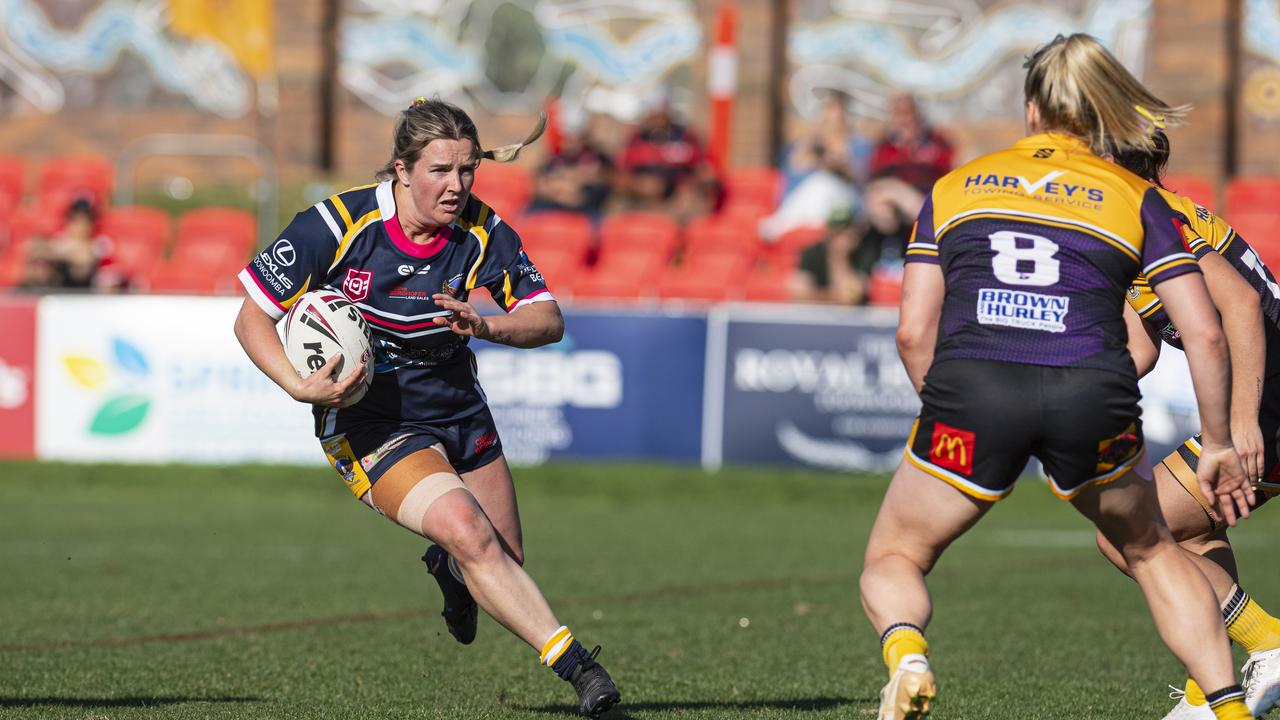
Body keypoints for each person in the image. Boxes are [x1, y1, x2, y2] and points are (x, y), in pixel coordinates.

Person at [860, 34, 1254, 720]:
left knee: (896, 553)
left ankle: (908, 658)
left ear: (1032, 107)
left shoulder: (954, 187)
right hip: (1090, 388)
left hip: (975, 388)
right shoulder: (1137, 196)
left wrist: (959, 415)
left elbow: (912, 331)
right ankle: (1228, 707)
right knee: (1155, 550)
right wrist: (1218, 440)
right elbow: (1206, 330)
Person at [232, 97, 621, 718]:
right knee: (473, 535)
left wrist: (488, 326)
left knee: (500, 557)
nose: (456, 185)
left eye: (467, 170)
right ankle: (583, 670)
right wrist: (297, 384)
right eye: (440, 170)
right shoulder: (334, 225)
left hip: (457, 406)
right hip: (369, 419)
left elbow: (547, 319)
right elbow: (253, 317)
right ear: (401, 170)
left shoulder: (481, 231)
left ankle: (447, 566)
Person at [1095, 130, 1280, 719]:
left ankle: (1268, 641)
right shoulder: (1135, 222)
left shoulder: (1157, 218)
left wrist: (1243, 422)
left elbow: (1244, 307)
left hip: (1272, 398)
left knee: (1126, 534)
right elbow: (1140, 349)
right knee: (1194, 536)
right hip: (1267, 396)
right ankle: (1208, 690)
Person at [791, 179, 920, 305]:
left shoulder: (867, 251)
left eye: (846, 230)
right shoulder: (812, 252)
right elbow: (799, 296)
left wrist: (839, 258)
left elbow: (848, 298)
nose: (840, 238)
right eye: (836, 231)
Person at [616, 86, 720, 220]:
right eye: (654, 111)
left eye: (661, 109)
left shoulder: (686, 136)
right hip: (642, 201)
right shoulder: (636, 139)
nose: (657, 116)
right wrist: (639, 184)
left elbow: (703, 169)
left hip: (679, 200)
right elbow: (620, 177)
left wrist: (691, 186)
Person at [868, 91, 953, 195]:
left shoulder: (936, 141)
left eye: (908, 112)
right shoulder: (884, 146)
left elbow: (951, 170)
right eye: (898, 114)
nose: (905, 120)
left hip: (931, 194)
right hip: (896, 198)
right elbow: (875, 180)